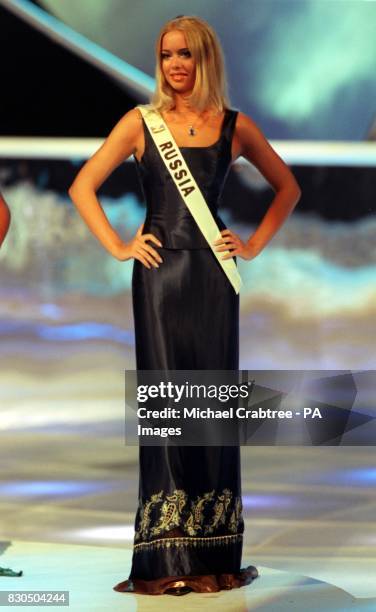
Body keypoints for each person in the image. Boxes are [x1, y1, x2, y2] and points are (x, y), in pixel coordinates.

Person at [68, 15, 301, 596]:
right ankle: (169, 561)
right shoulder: (141, 123)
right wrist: (121, 245)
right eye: (168, 54)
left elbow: (287, 188)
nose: (175, 65)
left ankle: (215, 555)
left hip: (214, 278)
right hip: (160, 278)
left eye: (186, 55)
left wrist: (249, 244)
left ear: (205, 60)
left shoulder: (234, 126)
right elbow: (82, 186)